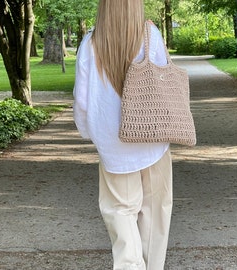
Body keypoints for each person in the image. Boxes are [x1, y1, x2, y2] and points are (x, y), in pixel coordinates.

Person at [73, 0, 172, 269]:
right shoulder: (151, 35)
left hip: (114, 144)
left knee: (120, 211)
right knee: (155, 212)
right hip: (152, 138)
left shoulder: (90, 43)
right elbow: (164, 84)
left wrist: (88, 133)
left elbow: (82, 100)